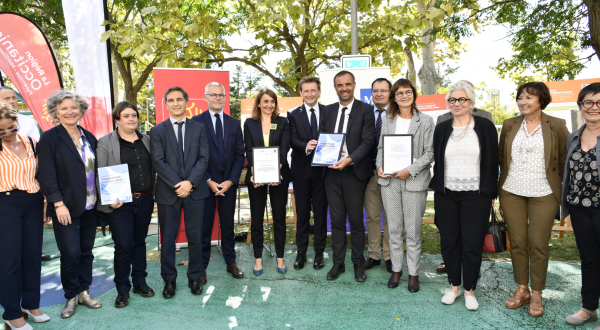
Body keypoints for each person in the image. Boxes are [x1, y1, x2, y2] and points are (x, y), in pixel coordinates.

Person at [499, 82, 569, 317]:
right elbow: (502, 157)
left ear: (541, 100)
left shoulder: (557, 125)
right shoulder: (510, 124)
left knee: (538, 244)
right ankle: (522, 289)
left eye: (529, 98)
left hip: (544, 192)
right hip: (511, 191)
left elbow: (563, 161)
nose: (523, 102)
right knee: (517, 243)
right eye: (520, 98)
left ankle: (537, 292)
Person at [430, 81, 498, 311]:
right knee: (449, 242)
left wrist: (491, 193)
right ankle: (454, 287)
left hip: (476, 195)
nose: (456, 104)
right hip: (446, 194)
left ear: (471, 102)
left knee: (472, 243)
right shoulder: (442, 128)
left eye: (461, 99)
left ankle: (469, 290)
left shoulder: (485, 127)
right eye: (452, 99)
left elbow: (492, 162)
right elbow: (437, 162)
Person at [37, 90, 102, 318]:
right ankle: (71, 296)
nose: (69, 112)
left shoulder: (89, 137)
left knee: (86, 252)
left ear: (81, 110)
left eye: (73, 107)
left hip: (90, 206)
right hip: (65, 208)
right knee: (71, 253)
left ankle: (84, 292)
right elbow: (46, 174)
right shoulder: (49, 138)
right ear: (55, 112)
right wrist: (57, 203)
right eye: (63, 108)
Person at [150, 86, 209, 299]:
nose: (176, 103)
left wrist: (190, 183)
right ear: (166, 104)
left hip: (196, 192)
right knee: (168, 238)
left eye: (180, 99)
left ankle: (195, 277)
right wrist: (179, 185)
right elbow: (158, 161)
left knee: (196, 237)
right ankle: (169, 279)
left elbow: (204, 158)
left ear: (186, 102)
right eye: (171, 100)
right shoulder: (157, 131)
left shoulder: (199, 128)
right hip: (168, 193)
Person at [376, 79, 434, 292]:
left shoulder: (426, 121)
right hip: (389, 181)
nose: (404, 96)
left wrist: (409, 169)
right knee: (394, 229)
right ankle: (397, 269)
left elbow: (430, 152)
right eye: (399, 93)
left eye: (407, 92)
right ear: (394, 97)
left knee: (413, 231)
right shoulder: (388, 119)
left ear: (414, 94)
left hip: (414, 181)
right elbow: (381, 146)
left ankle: (413, 273)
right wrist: (379, 165)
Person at [97, 101, 156, 308]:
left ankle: (140, 282)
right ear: (117, 120)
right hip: (120, 203)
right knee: (123, 246)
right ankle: (122, 289)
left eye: (134, 115)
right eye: (126, 116)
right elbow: (100, 172)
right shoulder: (106, 142)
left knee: (140, 243)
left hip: (145, 199)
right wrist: (108, 199)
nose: (132, 119)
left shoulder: (148, 140)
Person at [320, 70, 375, 282]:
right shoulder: (328, 110)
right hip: (331, 173)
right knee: (336, 221)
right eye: (340, 85)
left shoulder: (366, 110)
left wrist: (349, 159)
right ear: (335, 88)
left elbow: (367, 142)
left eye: (347, 84)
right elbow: (323, 138)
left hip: (355, 173)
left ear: (353, 85)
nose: (344, 88)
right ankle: (338, 263)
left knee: (356, 221)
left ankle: (358, 263)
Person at [0, 103, 51, 330]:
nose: (8, 134)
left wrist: (45, 201)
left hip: (32, 201)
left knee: (32, 257)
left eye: (11, 128)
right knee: (9, 261)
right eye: (1, 131)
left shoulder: (31, 142)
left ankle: (32, 304)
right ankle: (11, 313)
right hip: (4, 203)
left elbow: (41, 174)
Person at [191, 82, 245, 283]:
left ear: (225, 98)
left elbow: (240, 155)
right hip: (205, 184)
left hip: (228, 184)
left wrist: (231, 180)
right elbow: (194, 156)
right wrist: (207, 180)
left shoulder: (233, 123)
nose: (217, 98)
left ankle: (231, 261)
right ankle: (202, 266)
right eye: (213, 95)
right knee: (204, 227)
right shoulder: (195, 122)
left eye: (221, 95)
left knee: (228, 225)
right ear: (205, 97)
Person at [563, 82, 600, 326]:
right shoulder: (573, 138)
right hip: (578, 208)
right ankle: (589, 308)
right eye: (588, 102)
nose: (594, 107)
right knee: (588, 259)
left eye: (599, 103)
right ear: (580, 106)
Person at [244, 88, 292, 275]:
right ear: (258, 104)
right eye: (265, 101)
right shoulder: (249, 123)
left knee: (279, 218)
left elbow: (284, 148)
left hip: (279, 176)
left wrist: (275, 171)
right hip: (256, 176)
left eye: (272, 101)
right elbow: (249, 149)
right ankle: (258, 259)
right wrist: (256, 173)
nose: (269, 105)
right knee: (256, 219)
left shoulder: (283, 122)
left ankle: (280, 258)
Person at [287, 76, 328, 270]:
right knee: (302, 214)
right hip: (301, 172)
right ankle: (301, 252)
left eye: (313, 90)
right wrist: (306, 146)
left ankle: (319, 252)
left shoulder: (329, 112)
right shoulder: (293, 114)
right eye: (306, 91)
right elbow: (292, 140)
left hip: (324, 173)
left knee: (320, 214)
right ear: (301, 93)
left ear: (319, 91)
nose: (310, 94)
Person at [364, 78, 393, 273]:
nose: (379, 94)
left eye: (383, 90)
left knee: (392, 217)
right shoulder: (364, 113)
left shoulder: (399, 115)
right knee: (373, 217)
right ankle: (374, 255)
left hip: (392, 173)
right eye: (375, 91)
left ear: (391, 93)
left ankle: (390, 255)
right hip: (368, 173)